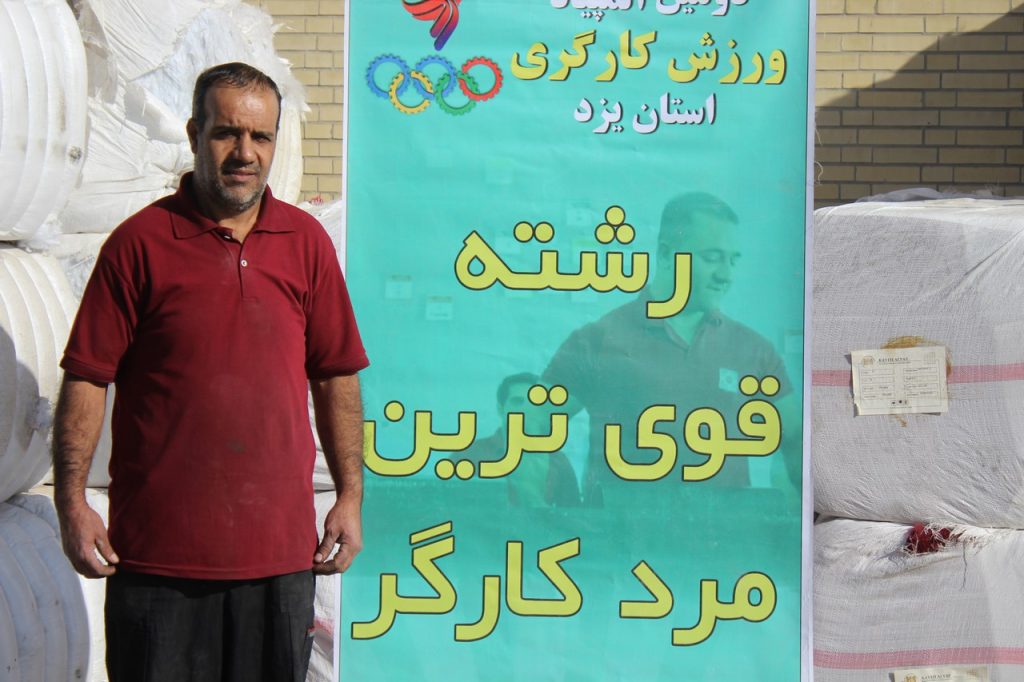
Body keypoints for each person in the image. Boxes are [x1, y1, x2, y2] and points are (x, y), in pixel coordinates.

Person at [51, 62, 369, 681]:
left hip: (279, 562)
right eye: (227, 133)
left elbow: (336, 376)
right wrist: (72, 502)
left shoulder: (306, 243)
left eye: (261, 137)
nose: (245, 153)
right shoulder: (139, 244)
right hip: (157, 564)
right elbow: (88, 376)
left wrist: (350, 497)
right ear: (195, 133)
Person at [543, 192, 799, 507]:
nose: (726, 275)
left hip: (725, 534)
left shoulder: (754, 350)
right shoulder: (598, 339)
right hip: (621, 535)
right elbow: (531, 429)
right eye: (712, 258)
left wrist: (784, 508)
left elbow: (795, 439)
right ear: (665, 254)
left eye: (733, 260)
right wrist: (565, 505)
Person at [462, 372, 581, 507]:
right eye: (518, 402)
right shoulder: (470, 454)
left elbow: (573, 514)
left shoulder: (558, 460)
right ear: (501, 408)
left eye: (534, 404)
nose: (526, 410)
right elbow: (450, 509)